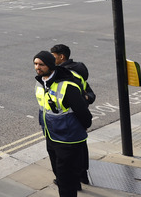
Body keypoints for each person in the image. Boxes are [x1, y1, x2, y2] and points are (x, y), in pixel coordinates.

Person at [33, 50, 92, 197]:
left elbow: (84, 114)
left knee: (66, 179)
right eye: (35, 64)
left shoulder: (67, 86)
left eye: (41, 64)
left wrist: (81, 127)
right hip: (51, 135)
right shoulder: (41, 81)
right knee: (59, 174)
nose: (37, 67)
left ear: (51, 65)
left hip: (68, 139)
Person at [50, 44, 96, 186]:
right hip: (80, 117)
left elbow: (85, 95)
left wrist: (83, 100)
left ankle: (71, 181)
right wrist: (86, 99)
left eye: (53, 57)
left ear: (61, 56)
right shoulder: (78, 71)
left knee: (67, 153)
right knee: (81, 148)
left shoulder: (65, 75)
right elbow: (90, 94)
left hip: (70, 119)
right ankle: (83, 175)